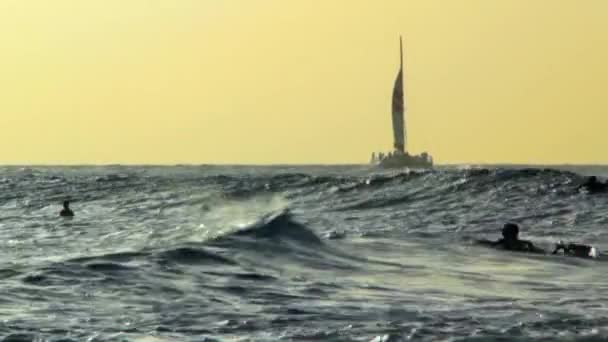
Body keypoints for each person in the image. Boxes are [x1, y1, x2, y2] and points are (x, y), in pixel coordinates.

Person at [476, 223, 545, 254]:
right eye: (503, 230)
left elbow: (539, 252)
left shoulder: (526, 244)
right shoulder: (502, 243)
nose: (502, 231)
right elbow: (490, 244)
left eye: (504, 230)